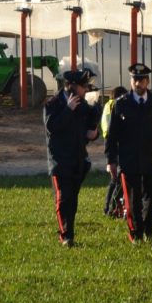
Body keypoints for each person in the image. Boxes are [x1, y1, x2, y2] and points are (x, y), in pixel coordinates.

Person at [105, 63, 152, 245]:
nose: (138, 84)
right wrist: (111, 160)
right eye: (135, 80)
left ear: (147, 81)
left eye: (142, 80)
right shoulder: (121, 105)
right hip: (129, 159)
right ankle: (136, 234)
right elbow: (111, 135)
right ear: (131, 81)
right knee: (133, 200)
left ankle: (148, 230)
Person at [43, 68, 99, 247]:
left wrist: (94, 133)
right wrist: (68, 110)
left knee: (72, 201)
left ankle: (70, 233)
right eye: (83, 87)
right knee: (63, 199)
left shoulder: (82, 106)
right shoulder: (53, 105)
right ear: (70, 86)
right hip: (60, 161)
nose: (85, 90)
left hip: (78, 159)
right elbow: (52, 127)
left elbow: (86, 131)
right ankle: (65, 236)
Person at [99, 85, 127, 216]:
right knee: (117, 179)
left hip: (109, 142)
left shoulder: (107, 105)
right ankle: (111, 207)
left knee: (115, 180)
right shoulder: (115, 105)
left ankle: (109, 207)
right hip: (114, 143)